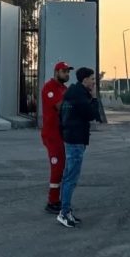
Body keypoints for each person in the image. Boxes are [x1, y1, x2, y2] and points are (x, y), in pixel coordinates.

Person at [57, 67, 102, 228]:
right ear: (85, 80)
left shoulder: (72, 93)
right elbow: (92, 115)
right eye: (92, 79)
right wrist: (94, 98)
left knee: (69, 176)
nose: (93, 82)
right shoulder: (80, 96)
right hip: (75, 140)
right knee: (71, 178)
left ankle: (65, 211)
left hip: (71, 138)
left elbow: (61, 115)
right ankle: (64, 212)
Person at [40, 61, 73, 214]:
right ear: (56, 72)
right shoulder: (49, 88)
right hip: (52, 134)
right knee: (57, 166)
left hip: (62, 133)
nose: (67, 74)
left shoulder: (64, 89)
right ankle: (52, 201)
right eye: (64, 71)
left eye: (68, 72)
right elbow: (62, 107)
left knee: (63, 167)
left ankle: (57, 200)